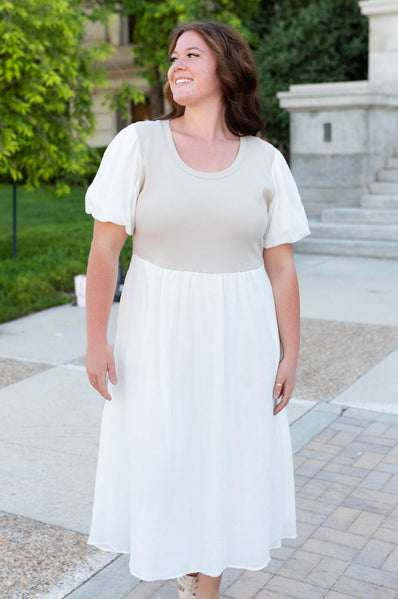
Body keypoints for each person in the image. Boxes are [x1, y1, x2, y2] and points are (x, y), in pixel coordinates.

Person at [84, 20, 310, 599]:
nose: (174, 65)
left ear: (226, 68)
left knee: (227, 456)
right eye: (172, 57)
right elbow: (105, 247)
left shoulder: (265, 161)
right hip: (156, 326)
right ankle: (181, 559)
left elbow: (281, 266)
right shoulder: (139, 143)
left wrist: (290, 353)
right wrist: (96, 340)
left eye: (191, 54)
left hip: (241, 331)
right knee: (163, 458)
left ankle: (203, 585)